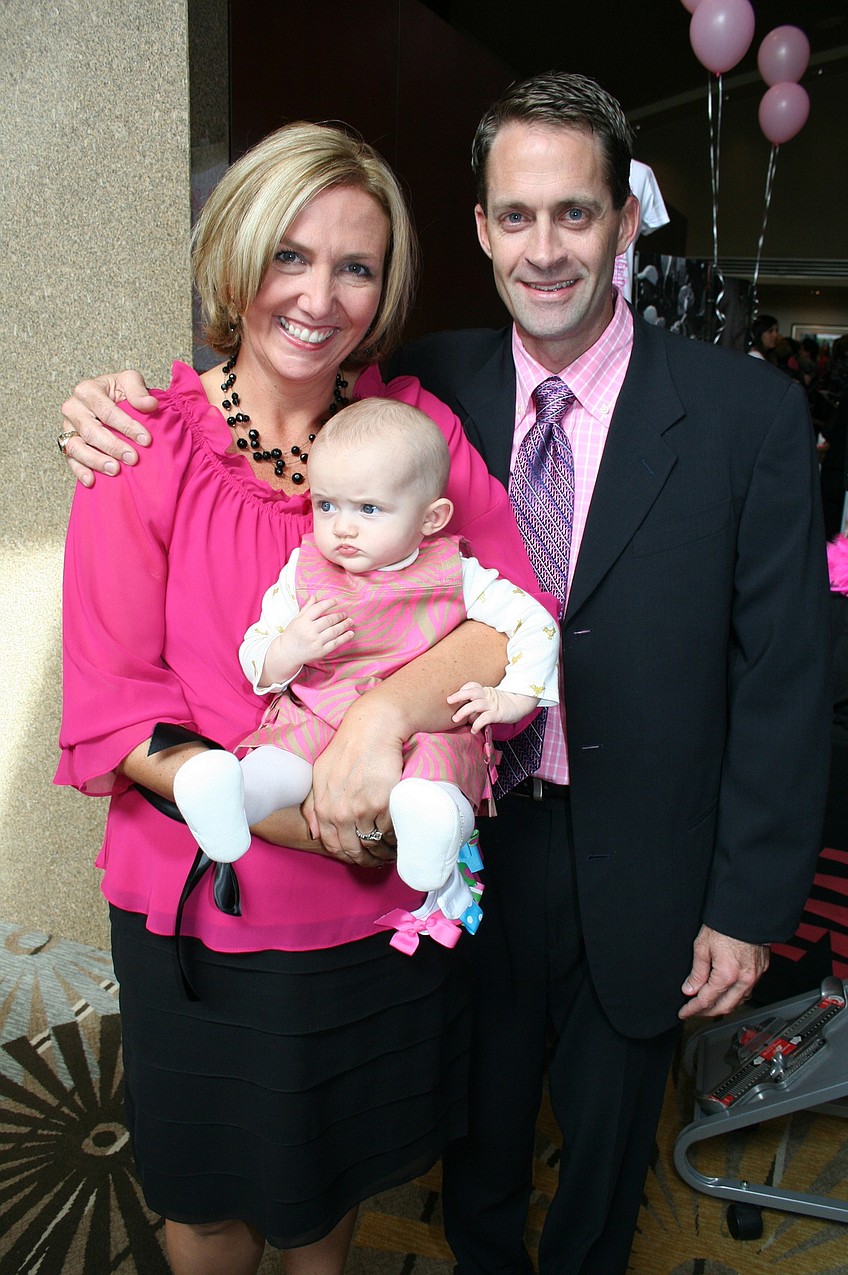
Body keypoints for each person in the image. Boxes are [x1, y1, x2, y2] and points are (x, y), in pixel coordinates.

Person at [58, 72, 832, 1275]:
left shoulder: (710, 415)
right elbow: (118, 698)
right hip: (421, 870)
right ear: (477, 227)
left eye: (574, 214)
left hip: (600, 854)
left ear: (625, 221)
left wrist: (745, 903)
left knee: (523, 1166)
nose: (543, 248)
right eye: (513, 216)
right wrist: (104, 397)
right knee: (427, 1144)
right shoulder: (408, 391)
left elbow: (768, 673)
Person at [54, 120, 549, 1275]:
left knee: (330, 1195)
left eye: (355, 267)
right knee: (213, 1205)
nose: (318, 296)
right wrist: (309, 813)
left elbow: (505, 631)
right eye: (290, 254)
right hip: (210, 911)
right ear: (235, 259)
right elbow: (117, 712)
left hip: (375, 914)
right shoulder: (143, 449)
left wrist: (378, 723)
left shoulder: (415, 441)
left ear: (384, 293)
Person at [172, 394, 559, 912]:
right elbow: (257, 655)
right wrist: (291, 648)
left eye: (368, 509)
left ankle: (432, 833)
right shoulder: (305, 570)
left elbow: (532, 621)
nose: (342, 527)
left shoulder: (455, 570)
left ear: (431, 518)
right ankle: (231, 796)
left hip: (425, 726)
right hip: (321, 713)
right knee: (283, 755)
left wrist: (515, 697)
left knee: (441, 768)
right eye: (326, 505)